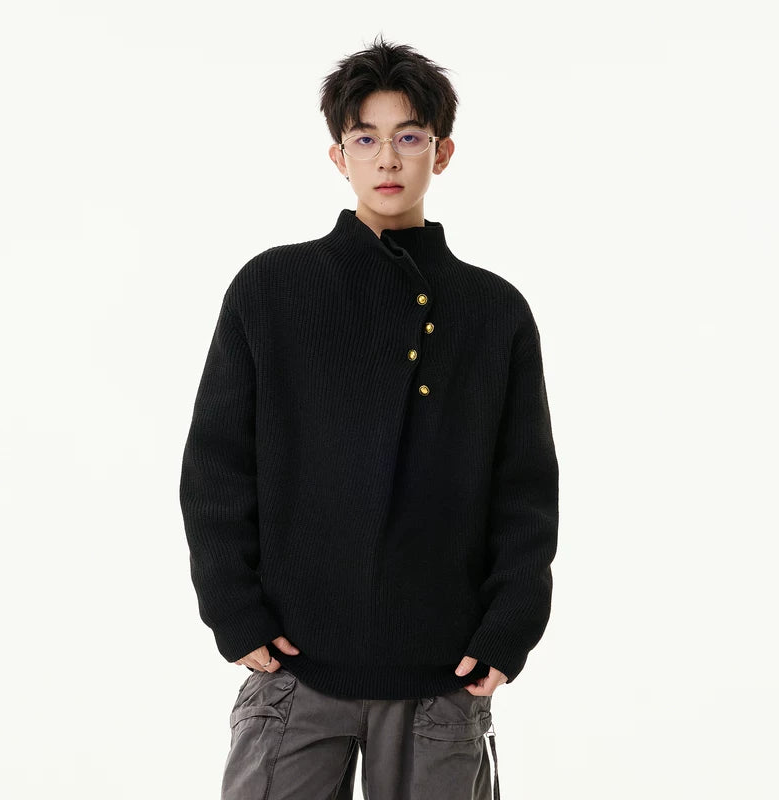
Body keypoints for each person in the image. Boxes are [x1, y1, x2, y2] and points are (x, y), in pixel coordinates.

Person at [179, 34, 559, 800]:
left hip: (442, 676)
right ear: (338, 156)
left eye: (409, 138)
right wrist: (234, 610)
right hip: (293, 668)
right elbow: (217, 468)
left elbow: (524, 492)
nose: (388, 159)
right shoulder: (271, 290)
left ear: (441, 153)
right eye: (365, 139)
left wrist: (508, 629)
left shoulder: (494, 312)